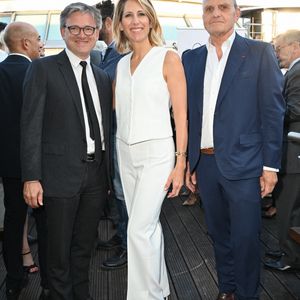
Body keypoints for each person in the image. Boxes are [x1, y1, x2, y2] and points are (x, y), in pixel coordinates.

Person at [183, 0, 285, 299]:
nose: (215, 13)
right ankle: (228, 289)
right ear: (203, 16)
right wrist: (190, 162)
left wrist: (270, 166)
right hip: (206, 164)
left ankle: (246, 294)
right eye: (209, 8)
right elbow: (190, 115)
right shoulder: (191, 59)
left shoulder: (258, 52)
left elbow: (273, 111)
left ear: (236, 14)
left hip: (247, 163)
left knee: (246, 238)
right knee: (218, 235)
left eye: (223, 7)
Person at [20, 2, 112, 300]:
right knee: (57, 255)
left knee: (84, 250)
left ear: (98, 31)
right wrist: (31, 177)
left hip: (96, 178)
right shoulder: (42, 69)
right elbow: (30, 126)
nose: (82, 34)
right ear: (63, 31)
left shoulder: (101, 77)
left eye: (89, 28)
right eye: (75, 28)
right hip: (57, 179)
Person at [113, 0, 187, 298]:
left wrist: (180, 163)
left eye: (141, 14)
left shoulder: (168, 58)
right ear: (119, 23)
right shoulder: (120, 64)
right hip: (124, 152)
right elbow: (116, 112)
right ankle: (160, 290)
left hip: (158, 153)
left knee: (137, 231)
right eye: (128, 15)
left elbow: (181, 115)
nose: (135, 21)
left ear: (152, 20)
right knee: (147, 227)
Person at [0, 21, 49, 300]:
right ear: (27, 43)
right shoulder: (39, 72)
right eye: (38, 39)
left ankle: (13, 279)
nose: (41, 44)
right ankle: (49, 282)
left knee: (14, 220)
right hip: (40, 163)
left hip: (9, 165)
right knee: (45, 223)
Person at [95, 0, 128, 271]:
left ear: (107, 24)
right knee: (118, 192)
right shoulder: (110, 54)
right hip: (112, 134)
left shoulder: (122, 56)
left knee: (122, 192)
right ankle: (122, 234)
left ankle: (128, 245)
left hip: (122, 137)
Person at [264, 29, 300, 272]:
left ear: (295, 46)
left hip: (293, 154)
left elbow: (294, 109)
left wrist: (268, 112)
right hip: (292, 152)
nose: (276, 53)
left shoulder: (297, 73)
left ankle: (290, 257)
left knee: (290, 207)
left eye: (280, 48)